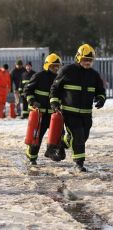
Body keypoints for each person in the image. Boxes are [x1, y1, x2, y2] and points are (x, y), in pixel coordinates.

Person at [49, 44, 106, 172]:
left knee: (82, 137)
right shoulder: (67, 71)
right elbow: (54, 88)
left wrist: (101, 99)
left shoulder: (94, 75)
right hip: (70, 113)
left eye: (90, 60)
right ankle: (79, 163)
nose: (87, 62)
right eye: (85, 59)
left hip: (86, 115)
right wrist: (54, 103)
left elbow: (101, 91)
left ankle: (61, 145)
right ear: (78, 58)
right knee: (78, 137)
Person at [24, 53, 62, 165]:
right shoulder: (39, 76)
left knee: (58, 135)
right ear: (47, 65)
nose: (56, 68)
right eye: (53, 66)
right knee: (37, 137)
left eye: (57, 66)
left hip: (53, 115)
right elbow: (27, 90)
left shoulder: (59, 78)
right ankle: (32, 158)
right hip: (40, 114)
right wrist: (32, 101)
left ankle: (51, 151)